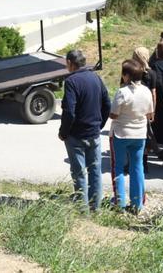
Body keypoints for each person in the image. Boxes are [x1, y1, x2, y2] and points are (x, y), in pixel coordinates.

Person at [58, 49, 111, 211]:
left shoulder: (72, 82)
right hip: (93, 133)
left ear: (69, 63)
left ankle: (83, 211)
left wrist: (63, 132)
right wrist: (99, 125)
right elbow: (107, 104)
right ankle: (96, 208)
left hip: (76, 136)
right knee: (95, 171)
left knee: (79, 173)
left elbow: (69, 111)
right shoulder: (96, 78)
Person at [109, 60, 154, 213]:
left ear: (126, 75)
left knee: (119, 168)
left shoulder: (123, 92)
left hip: (121, 133)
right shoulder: (146, 91)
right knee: (137, 167)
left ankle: (119, 202)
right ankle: (137, 203)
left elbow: (113, 114)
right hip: (140, 134)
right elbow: (150, 114)